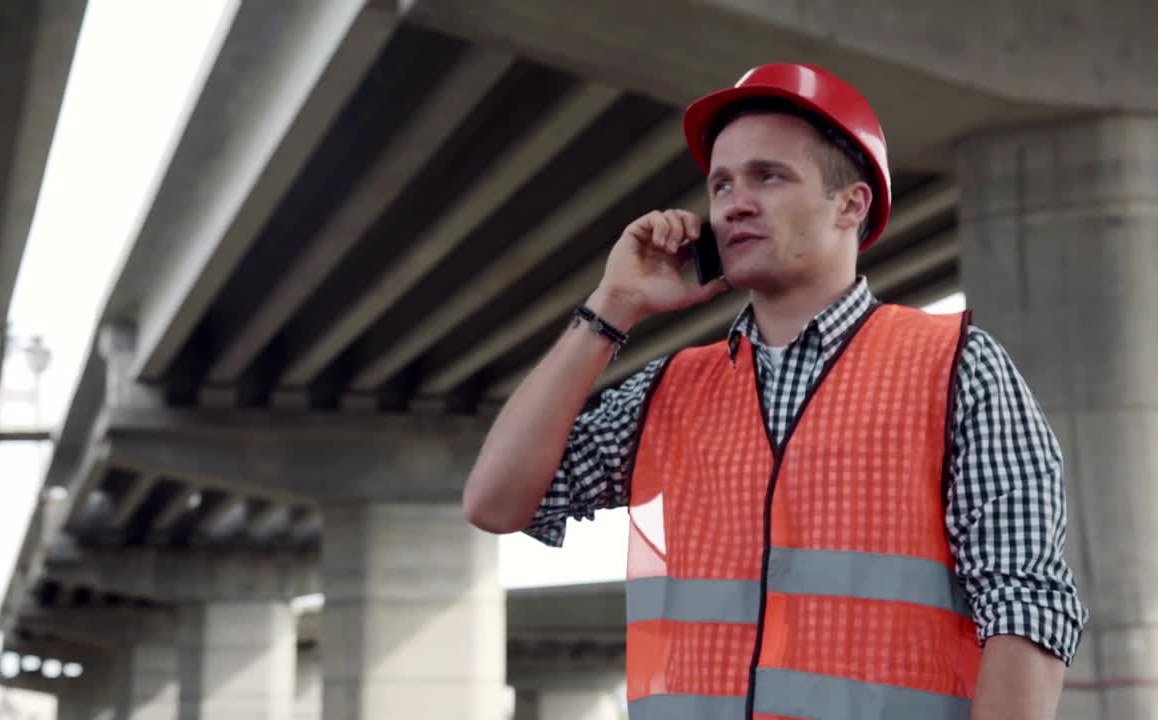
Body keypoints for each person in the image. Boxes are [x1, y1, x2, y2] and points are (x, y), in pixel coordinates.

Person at [463, 63, 1088, 720]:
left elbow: (1025, 606)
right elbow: (497, 501)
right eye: (721, 183)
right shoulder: (670, 393)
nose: (733, 201)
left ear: (851, 204)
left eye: (770, 176)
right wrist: (611, 306)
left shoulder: (957, 369)